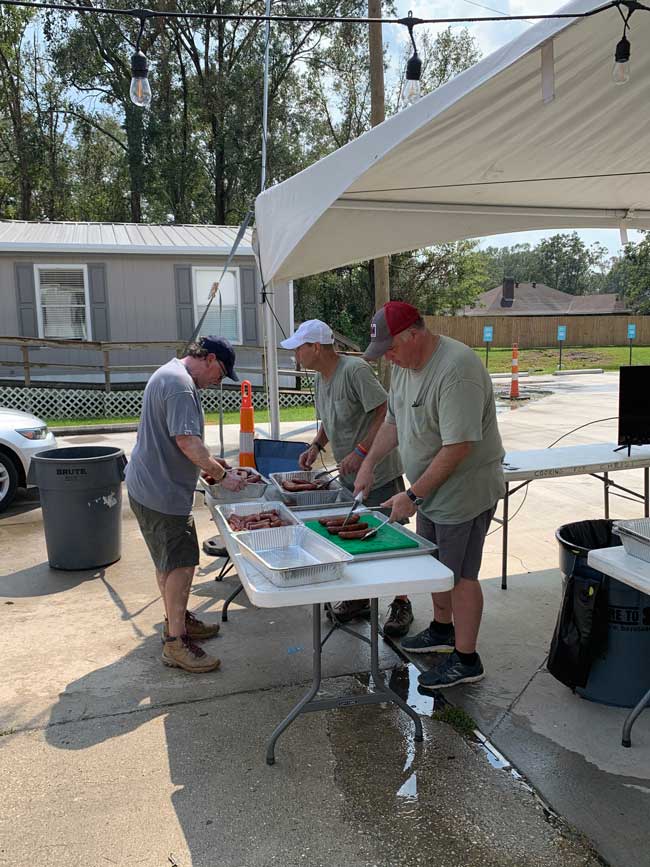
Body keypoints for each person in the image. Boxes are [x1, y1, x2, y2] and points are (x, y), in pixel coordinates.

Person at [355, 302, 505, 689]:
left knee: (460, 575)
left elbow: (459, 447)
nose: (387, 356)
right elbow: (393, 421)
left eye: (391, 348)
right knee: (436, 566)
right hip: (429, 491)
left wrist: (413, 495)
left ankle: (467, 658)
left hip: (462, 491)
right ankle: (442, 631)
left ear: (414, 334)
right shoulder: (404, 367)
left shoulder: (457, 369)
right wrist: (369, 464)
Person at [280, 319, 414, 637]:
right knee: (354, 537)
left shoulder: (354, 370)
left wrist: (362, 451)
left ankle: (402, 600)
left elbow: (385, 411)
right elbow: (330, 418)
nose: (295, 354)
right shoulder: (320, 379)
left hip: (378, 468)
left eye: (299, 348)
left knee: (389, 538)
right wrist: (316, 445)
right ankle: (360, 599)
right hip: (349, 472)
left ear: (315, 347)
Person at [125, 336, 247, 674]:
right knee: (180, 565)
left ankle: (175, 621)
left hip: (150, 488)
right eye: (220, 374)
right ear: (208, 359)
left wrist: (210, 462)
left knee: (168, 563)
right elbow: (186, 441)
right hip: (161, 494)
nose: (218, 382)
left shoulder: (171, 374)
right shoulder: (179, 385)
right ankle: (176, 644)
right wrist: (222, 476)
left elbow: (179, 442)